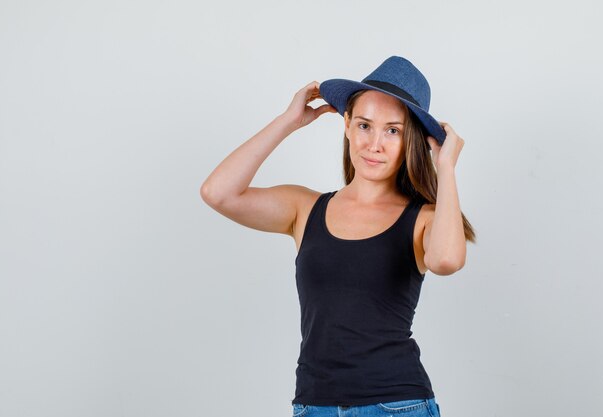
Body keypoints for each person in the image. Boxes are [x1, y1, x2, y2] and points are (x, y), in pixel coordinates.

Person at [200, 56, 476, 417]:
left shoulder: (423, 218)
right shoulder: (305, 208)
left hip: (397, 405)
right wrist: (288, 122)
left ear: (411, 140)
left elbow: (446, 260)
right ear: (346, 125)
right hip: (314, 406)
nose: (374, 144)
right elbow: (218, 193)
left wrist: (447, 167)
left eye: (392, 130)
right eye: (364, 125)